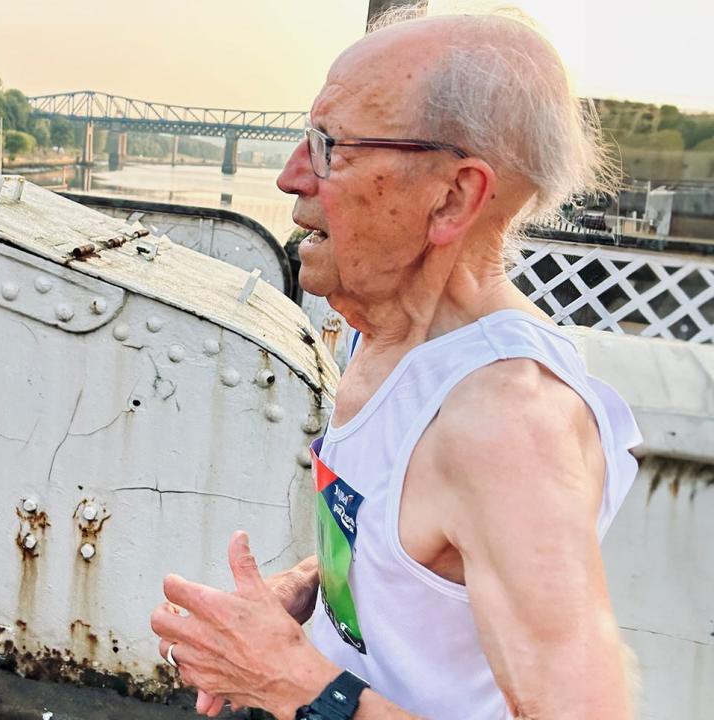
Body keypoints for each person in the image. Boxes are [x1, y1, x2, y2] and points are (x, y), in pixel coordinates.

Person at [151, 6, 641, 719]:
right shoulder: (384, 333)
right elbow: (423, 554)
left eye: (330, 147)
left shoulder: (505, 426)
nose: (291, 177)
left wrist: (295, 685)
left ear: (452, 198)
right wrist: (318, 586)